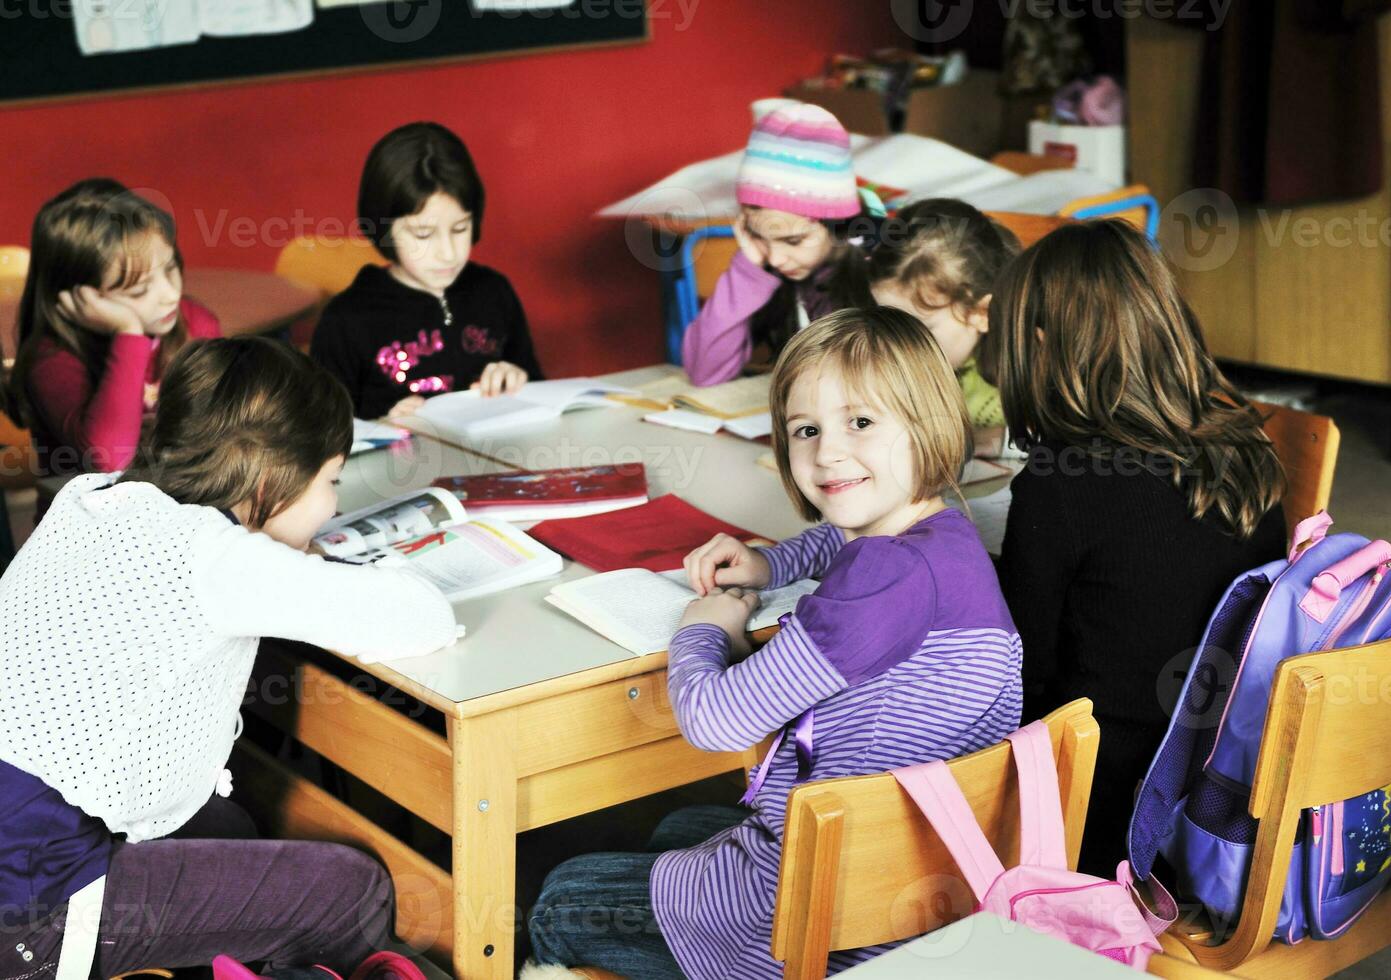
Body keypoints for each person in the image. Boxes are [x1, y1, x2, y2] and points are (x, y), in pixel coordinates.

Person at [528, 307, 1023, 979]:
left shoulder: (878, 583)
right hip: (922, 885)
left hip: (820, 929)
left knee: (560, 899)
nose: (828, 452)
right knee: (678, 831)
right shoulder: (948, 538)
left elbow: (714, 719)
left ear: (929, 425)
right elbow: (846, 536)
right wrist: (771, 565)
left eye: (861, 423)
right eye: (806, 430)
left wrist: (706, 625)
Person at [0, 337, 459, 979]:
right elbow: (424, 617)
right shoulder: (213, 557)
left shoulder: (91, 497)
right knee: (351, 891)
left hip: (34, 831)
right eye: (330, 482)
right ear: (272, 478)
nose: (333, 506)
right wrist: (312, 562)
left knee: (234, 824)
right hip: (37, 897)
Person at [992, 220, 1287, 876]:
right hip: (1220, 785)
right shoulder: (1245, 446)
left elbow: (1017, 672)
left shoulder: (1058, 487)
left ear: (1040, 344)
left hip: (1097, 811)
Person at [311, 122, 543, 420]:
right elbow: (320, 440)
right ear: (385, 231)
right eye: (423, 235)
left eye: (460, 228)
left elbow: (539, 391)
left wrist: (517, 379)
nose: (448, 252)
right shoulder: (346, 321)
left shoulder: (493, 292)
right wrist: (381, 425)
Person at [2, 178, 221, 479]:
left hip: (183, 510)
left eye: (170, 269)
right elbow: (110, 459)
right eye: (139, 290)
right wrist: (129, 333)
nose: (170, 294)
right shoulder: (50, 359)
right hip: (94, 522)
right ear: (81, 297)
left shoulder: (195, 323)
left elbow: (222, 433)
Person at [680, 103, 878, 386]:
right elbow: (705, 374)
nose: (776, 259)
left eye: (793, 241)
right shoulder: (768, 271)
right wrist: (746, 271)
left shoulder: (881, 277)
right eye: (760, 236)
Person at [870, 198, 1020, 457]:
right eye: (890, 322)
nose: (898, 344)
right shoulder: (909, 356)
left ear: (981, 313)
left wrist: (984, 441)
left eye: (923, 328)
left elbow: (1070, 437)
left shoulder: (1032, 357)